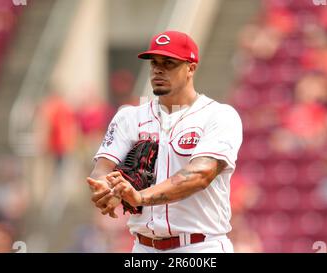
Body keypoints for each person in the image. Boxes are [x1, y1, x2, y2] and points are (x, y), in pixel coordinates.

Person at [86, 31, 243, 253]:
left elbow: (200, 175)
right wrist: (105, 190)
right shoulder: (129, 117)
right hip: (143, 248)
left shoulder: (219, 115)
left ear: (191, 68)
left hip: (200, 247)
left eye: (169, 63)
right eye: (154, 63)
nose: (158, 69)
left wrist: (139, 197)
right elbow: (100, 170)